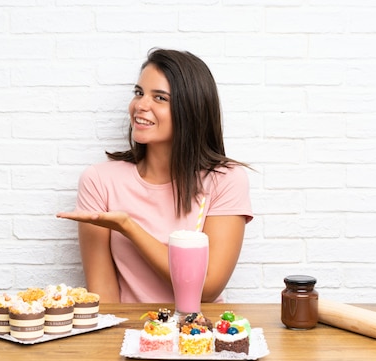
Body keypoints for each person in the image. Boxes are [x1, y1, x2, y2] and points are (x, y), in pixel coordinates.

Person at [56, 48, 253, 304]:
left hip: (196, 336)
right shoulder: (99, 181)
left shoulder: (225, 180)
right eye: (139, 93)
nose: (140, 105)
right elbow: (104, 297)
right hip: (128, 336)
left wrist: (129, 228)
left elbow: (207, 289)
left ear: (191, 110)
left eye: (159, 97)